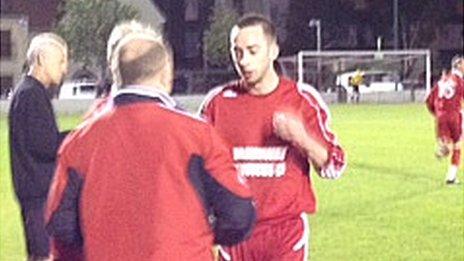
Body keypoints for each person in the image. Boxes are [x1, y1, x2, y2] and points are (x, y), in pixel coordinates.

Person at [45, 28, 256, 260]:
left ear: (116, 75)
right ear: (166, 73)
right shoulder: (197, 134)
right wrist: (199, 236)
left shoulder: (79, 141)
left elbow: (60, 223)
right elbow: (239, 214)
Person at [199, 14, 346, 260]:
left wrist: (302, 137)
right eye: (237, 52)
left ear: (273, 51)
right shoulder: (217, 104)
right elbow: (197, 170)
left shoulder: (302, 100)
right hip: (235, 233)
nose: (243, 61)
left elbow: (334, 166)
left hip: (284, 234)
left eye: (252, 51)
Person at [8, 32, 69, 260]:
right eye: (61, 60)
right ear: (42, 60)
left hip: (34, 192)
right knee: (43, 255)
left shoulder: (29, 92)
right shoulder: (31, 94)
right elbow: (45, 145)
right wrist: (77, 137)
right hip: (38, 194)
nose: (64, 68)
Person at [426, 55, 464, 185]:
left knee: (448, 147)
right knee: (458, 145)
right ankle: (451, 177)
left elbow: (429, 101)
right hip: (454, 116)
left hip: (441, 117)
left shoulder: (442, 81)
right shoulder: (459, 81)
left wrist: (437, 113)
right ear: (458, 65)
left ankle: (443, 150)